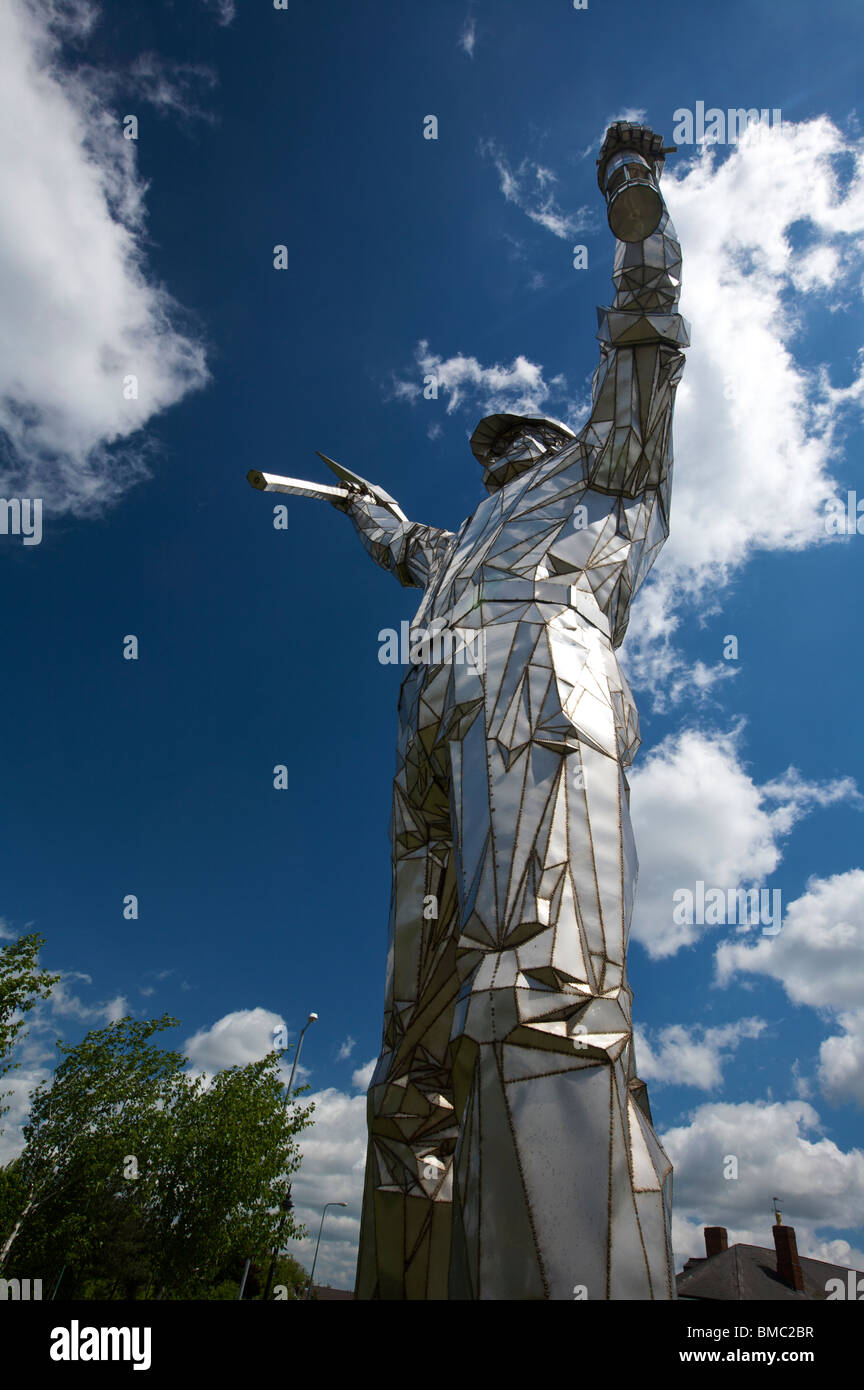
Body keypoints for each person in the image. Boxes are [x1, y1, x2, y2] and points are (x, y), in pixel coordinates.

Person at [335, 123, 689, 1300]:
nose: (496, 457)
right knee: (413, 1064)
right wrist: (371, 511)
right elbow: (410, 546)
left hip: (542, 695)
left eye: (512, 441)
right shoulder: (464, 540)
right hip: (433, 740)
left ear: (554, 437)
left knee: (546, 989)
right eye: (486, 450)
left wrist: (633, 203)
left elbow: (643, 345)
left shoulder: (605, 467)